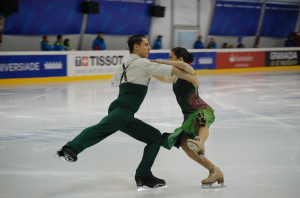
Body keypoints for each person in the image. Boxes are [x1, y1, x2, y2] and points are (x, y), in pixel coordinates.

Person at [55, 34, 199, 190]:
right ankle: (70, 149)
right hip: (124, 109)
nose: (149, 48)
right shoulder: (143, 63)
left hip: (122, 110)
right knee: (101, 129)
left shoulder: (125, 65)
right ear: (136, 47)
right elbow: (176, 70)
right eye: (146, 44)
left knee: (154, 137)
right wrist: (193, 78)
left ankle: (143, 175)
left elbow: (114, 81)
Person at [151, 47, 225, 188]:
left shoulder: (190, 72)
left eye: (171, 57)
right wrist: (150, 71)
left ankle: (200, 142)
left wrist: (161, 62)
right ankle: (214, 170)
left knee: (201, 123)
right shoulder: (177, 77)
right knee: (186, 146)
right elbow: (164, 78)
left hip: (199, 109)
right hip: (187, 114)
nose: (168, 59)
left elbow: (185, 66)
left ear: (179, 59)